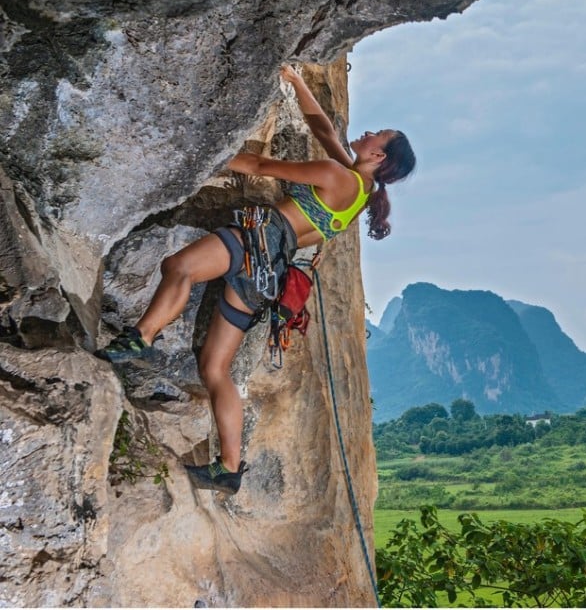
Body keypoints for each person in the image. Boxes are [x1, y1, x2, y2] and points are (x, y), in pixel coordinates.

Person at [95, 64, 416, 495]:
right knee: (215, 367)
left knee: (179, 267)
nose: (369, 132)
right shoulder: (358, 192)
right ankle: (229, 468)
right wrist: (298, 82)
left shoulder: (338, 174)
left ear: (379, 156)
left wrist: (201, 155)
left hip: (254, 240)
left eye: (378, 135)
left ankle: (143, 335)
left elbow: (262, 164)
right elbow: (325, 132)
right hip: (269, 274)